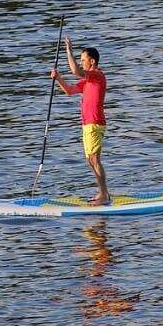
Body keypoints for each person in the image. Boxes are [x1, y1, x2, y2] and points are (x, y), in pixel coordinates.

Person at [51, 37, 109, 206]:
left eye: (83, 60)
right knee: (91, 160)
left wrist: (68, 50)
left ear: (92, 61)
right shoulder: (88, 81)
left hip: (95, 123)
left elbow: (76, 71)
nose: (81, 63)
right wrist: (58, 78)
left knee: (94, 159)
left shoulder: (97, 75)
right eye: (81, 60)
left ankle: (104, 195)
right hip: (87, 124)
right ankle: (103, 193)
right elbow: (69, 90)